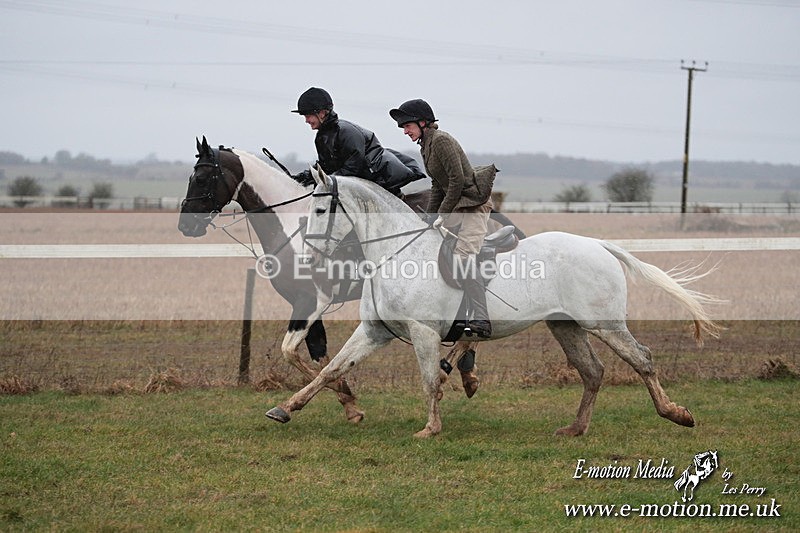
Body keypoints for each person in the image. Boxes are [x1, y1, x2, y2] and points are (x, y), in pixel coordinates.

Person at [389, 99, 496, 338]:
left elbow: (456, 181)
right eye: (404, 128)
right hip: (458, 205)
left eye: (408, 126)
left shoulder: (442, 141)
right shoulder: (426, 146)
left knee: (463, 256)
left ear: (423, 122)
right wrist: (430, 216)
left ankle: (481, 317)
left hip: (474, 205)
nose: (405, 131)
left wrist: (443, 214)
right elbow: (437, 185)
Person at [290, 87, 425, 196]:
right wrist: (300, 178)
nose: (306, 120)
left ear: (322, 113)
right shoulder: (321, 137)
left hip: (381, 180)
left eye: (308, 116)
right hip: (364, 180)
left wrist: (326, 180)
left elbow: (353, 168)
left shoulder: (346, 132)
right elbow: (326, 166)